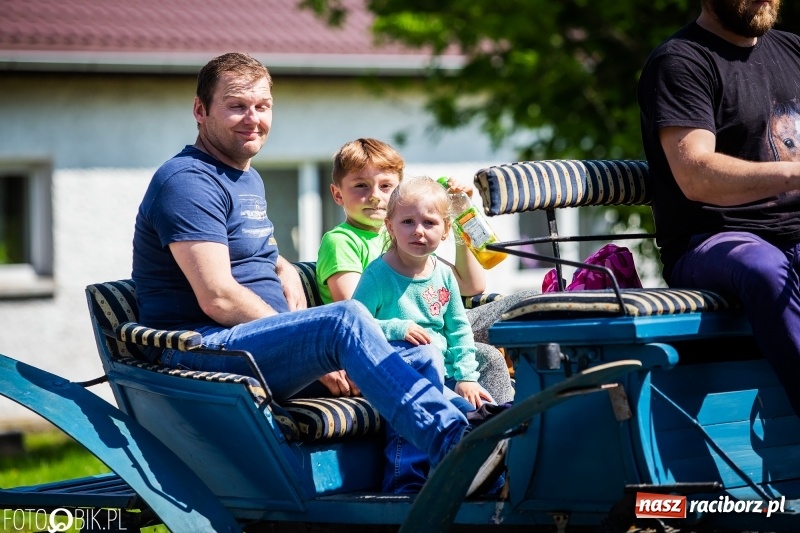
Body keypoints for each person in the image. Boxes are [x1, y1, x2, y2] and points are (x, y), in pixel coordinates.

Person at [130, 52, 505, 493]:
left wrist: (283, 266)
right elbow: (219, 297)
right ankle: (458, 447)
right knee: (344, 319)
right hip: (202, 348)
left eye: (262, 106)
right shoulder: (187, 181)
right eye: (236, 105)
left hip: (254, 345)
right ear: (200, 110)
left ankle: (416, 486)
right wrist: (308, 341)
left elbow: (249, 251)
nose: (253, 118)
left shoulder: (243, 178)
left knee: (421, 355)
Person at [637, 0, 800, 415]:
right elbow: (697, 176)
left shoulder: (793, 50)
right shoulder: (680, 61)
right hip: (710, 241)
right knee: (764, 268)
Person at [315, 137, 518, 404]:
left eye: (386, 186)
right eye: (361, 186)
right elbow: (355, 317)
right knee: (488, 354)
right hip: (402, 340)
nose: (375, 195)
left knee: (527, 304)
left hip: (438, 328)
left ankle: (511, 428)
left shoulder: (410, 235)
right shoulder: (341, 241)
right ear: (338, 194)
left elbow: (471, 285)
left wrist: (459, 216)